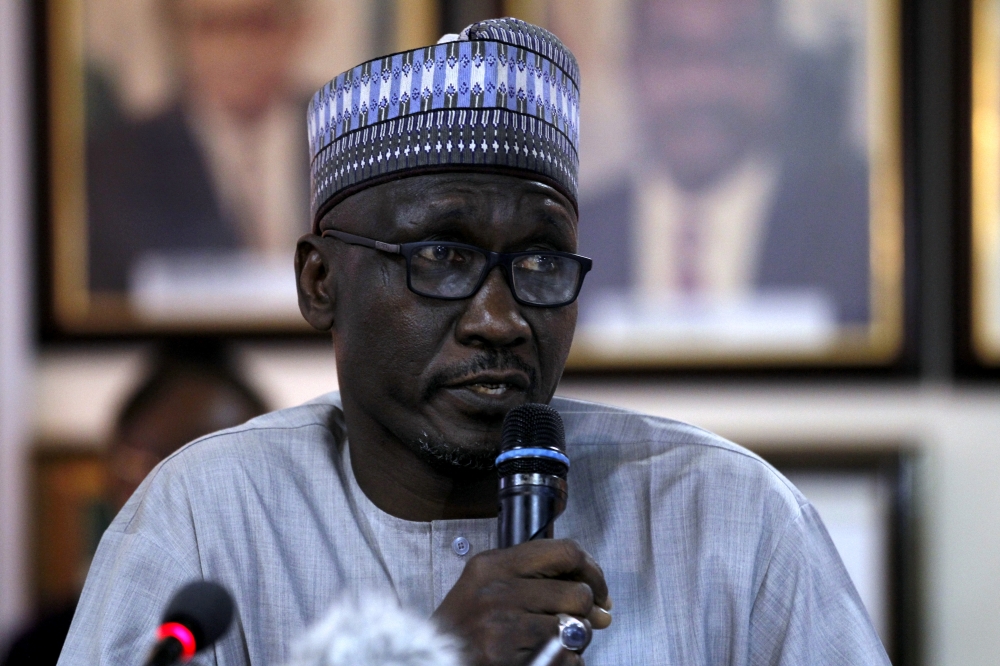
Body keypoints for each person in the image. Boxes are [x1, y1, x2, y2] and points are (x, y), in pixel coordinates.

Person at [58, 18, 890, 666]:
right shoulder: (204, 520)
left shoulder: (734, 520)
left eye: (539, 260)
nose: (501, 318)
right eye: (442, 256)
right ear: (320, 284)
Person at [578, 0, 870, 324]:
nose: (703, 83)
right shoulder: (570, 240)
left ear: (777, 63)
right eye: (673, 51)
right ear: (631, 62)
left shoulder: (860, 239)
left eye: (736, 51)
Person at [2, 342, 266, 666]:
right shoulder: (44, 647)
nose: (184, 499)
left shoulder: (309, 636)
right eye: (153, 467)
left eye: (220, 473)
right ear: (111, 476)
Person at [87, 0, 310, 293]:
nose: (237, 46)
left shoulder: (351, 135)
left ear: (297, 27)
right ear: (177, 35)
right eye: (211, 26)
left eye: (259, 23)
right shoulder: (118, 161)